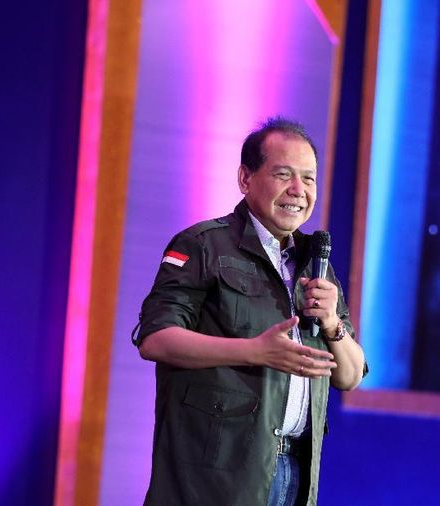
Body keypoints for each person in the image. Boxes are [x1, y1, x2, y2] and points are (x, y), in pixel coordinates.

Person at [133, 117, 366, 505]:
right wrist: (254, 351)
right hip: (214, 481)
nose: (298, 190)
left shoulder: (315, 266)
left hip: (292, 473)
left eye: (309, 179)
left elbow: (350, 375)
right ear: (245, 178)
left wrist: (331, 325)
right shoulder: (203, 245)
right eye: (283, 174)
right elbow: (155, 339)